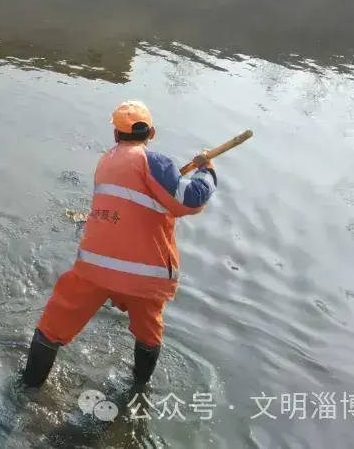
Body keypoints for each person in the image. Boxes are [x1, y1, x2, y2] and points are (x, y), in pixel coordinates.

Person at [22, 101, 218, 388]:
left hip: (95, 268)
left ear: (116, 135)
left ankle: (28, 387)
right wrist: (206, 169)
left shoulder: (106, 162)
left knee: (52, 327)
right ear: (152, 132)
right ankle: (138, 391)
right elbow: (191, 200)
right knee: (148, 335)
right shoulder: (155, 162)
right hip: (145, 276)